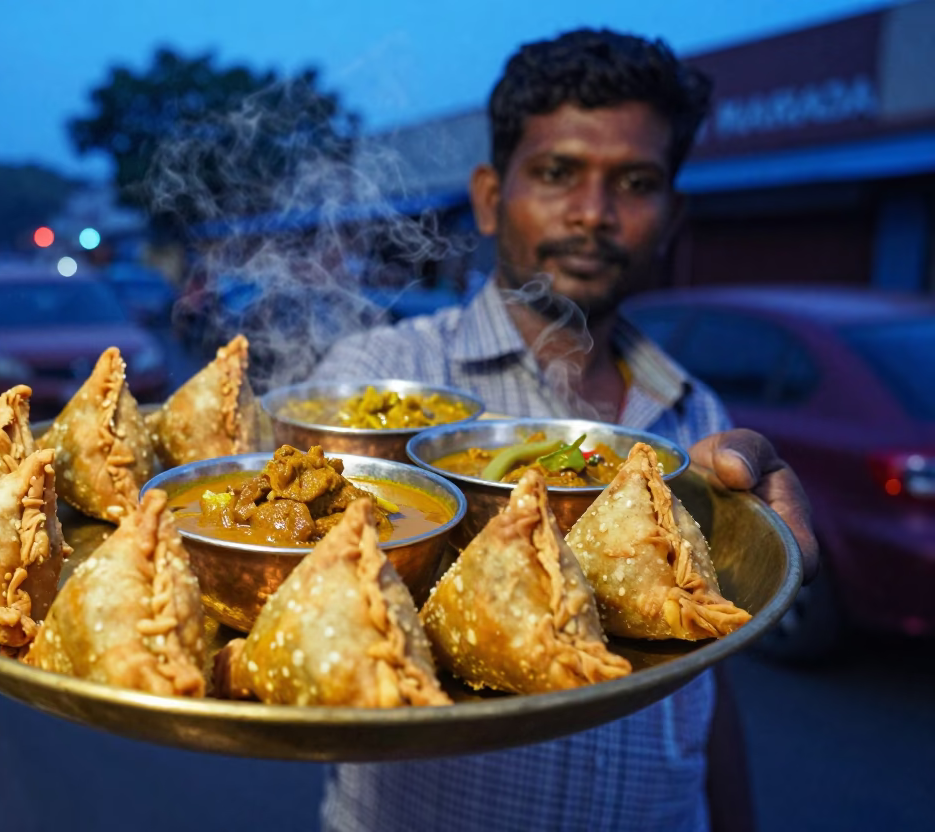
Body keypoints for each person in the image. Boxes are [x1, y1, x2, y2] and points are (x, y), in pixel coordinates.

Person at [310, 29, 818, 832]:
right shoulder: (382, 380)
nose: (593, 213)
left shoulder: (699, 416)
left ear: (673, 213)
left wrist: (765, 561)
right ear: (487, 196)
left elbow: (701, 687)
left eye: (636, 182)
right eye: (556, 173)